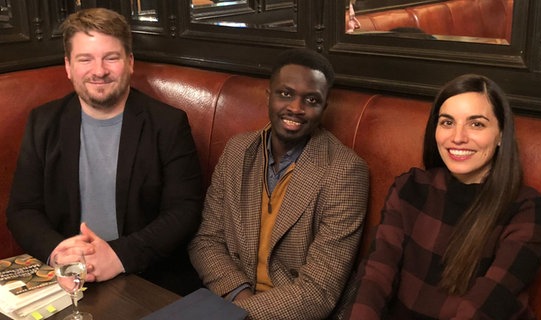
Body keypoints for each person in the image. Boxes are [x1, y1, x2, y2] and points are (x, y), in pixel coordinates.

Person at [6, 8, 203, 296]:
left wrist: (118, 256)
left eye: (111, 57)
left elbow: (185, 211)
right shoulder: (43, 122)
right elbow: (22, 209)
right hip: (67, 276)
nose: (99, 71)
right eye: (85, 59)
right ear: (68, 66)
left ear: (130, 62)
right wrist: (59, 252)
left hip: (144, 274)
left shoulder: (168, 123)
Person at [343, 74, 541, 319]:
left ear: (501, 134)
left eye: (476, 124)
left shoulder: (530, 211)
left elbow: (484, 307)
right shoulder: (410, 187)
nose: (457, 137)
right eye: (447, 122)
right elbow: (375, 276)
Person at [188, 48, 369, 319]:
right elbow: (206, 240)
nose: (296, 108)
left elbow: (319, 291)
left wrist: (236, 315)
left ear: (323, 108)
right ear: (268, 96)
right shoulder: (238, 150)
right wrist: (238, 299)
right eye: (286, 94)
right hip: (230, 299)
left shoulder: (345, 172)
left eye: (311, 99)